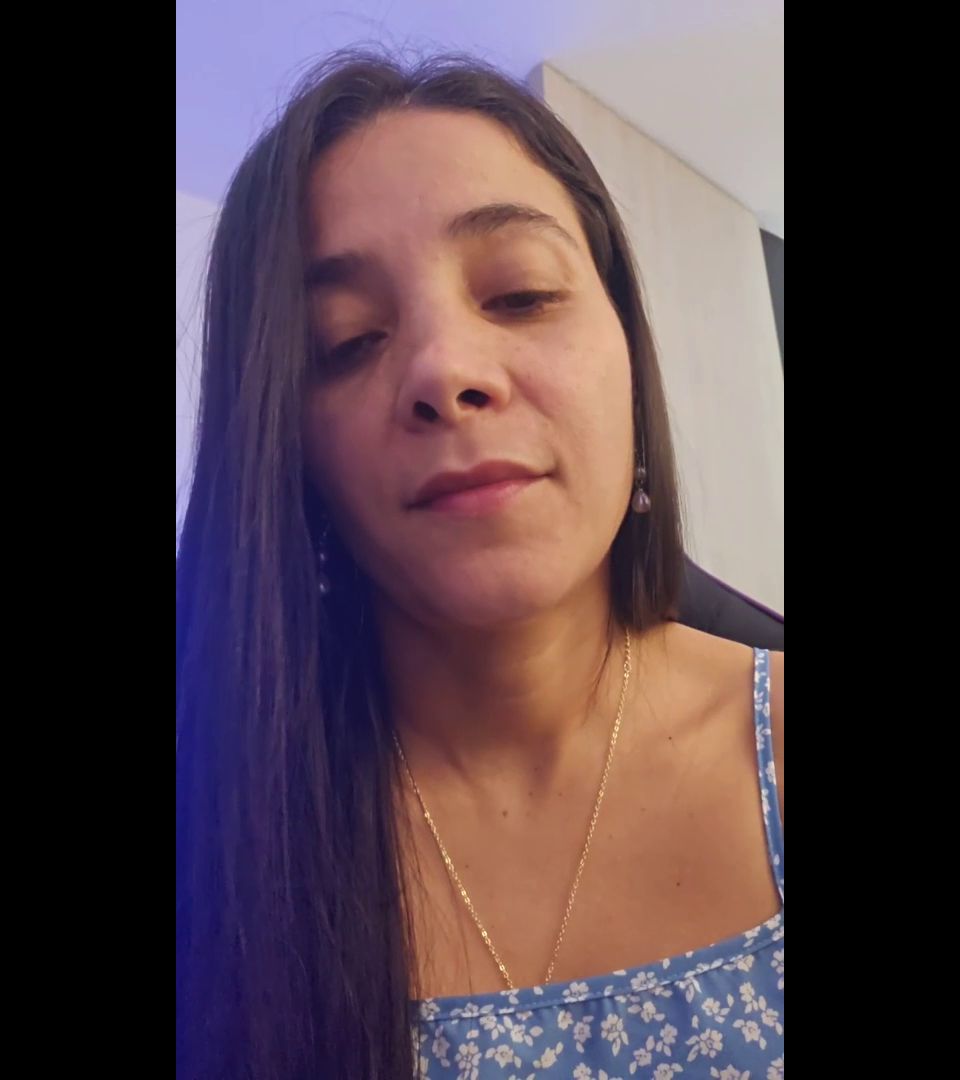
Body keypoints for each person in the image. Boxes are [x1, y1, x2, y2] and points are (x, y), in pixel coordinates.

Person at [176, 49, 784, 1080]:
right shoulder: (221, 841)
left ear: (628, 352)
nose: (444, 371)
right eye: (347, 341)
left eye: (520, 294)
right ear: (288, 451)